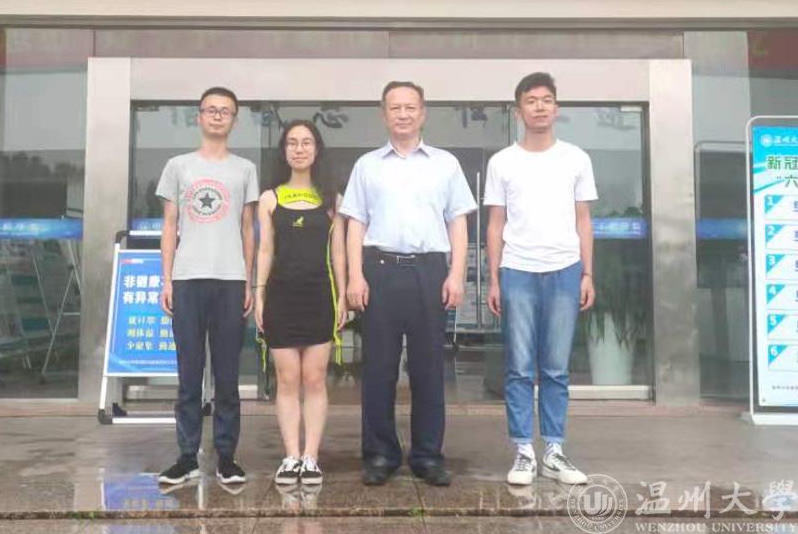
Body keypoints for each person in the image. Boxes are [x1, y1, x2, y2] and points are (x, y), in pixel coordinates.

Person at [341, 81, 477, 487]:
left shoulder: (445, 164)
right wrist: (355, 275)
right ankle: (380, 455)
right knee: (378, 368)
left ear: (423, 113)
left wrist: (456, 273)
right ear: (383, 114)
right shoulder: (367, 165)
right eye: (395, 107)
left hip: (429, 271)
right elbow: (355, 223)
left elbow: (458, 222)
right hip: (379, 270)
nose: (403, 114)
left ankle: (427, 455)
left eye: (410, 107)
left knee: (428, 368)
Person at [484, 72, 597, 487]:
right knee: (518, 367)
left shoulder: (576, 158)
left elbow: (584, 221)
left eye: (546, 100)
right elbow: (495, 224)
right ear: (518, 111)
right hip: (517, 270)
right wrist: (494, 279)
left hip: (565, 270)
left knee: (555, 367)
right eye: (531, 101)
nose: (539, 107)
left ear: (556, 108)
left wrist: (588, 273)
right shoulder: (502, 162)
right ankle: (523, 451)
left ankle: (553, 450)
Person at [156, 87, 258, 486]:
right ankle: (187, 456)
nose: (217, 116)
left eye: (225, 111)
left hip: (231, 280)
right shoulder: (178, 166)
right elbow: (170, 225)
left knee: (228, 376)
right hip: (187, 279)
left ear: (234, 120)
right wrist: (167, 279)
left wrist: (249, 280)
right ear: (199, 116)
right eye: (211, 110)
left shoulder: (244, 169)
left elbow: (248, 228)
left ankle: (227, 457)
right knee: (189, 375)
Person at [255, 120, 347, 486]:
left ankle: (311, 457)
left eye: (306, 142)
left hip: (319, 297)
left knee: (314, 378)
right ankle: (291, 456)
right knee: (287, 378)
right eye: (292, 143)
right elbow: (265, 250)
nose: (299, 149)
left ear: (317, 149)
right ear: (284, 151)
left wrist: (343, 297)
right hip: (280, 297)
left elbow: (338, 253)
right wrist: (258, 294)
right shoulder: (270, 198)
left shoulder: (332, 200)